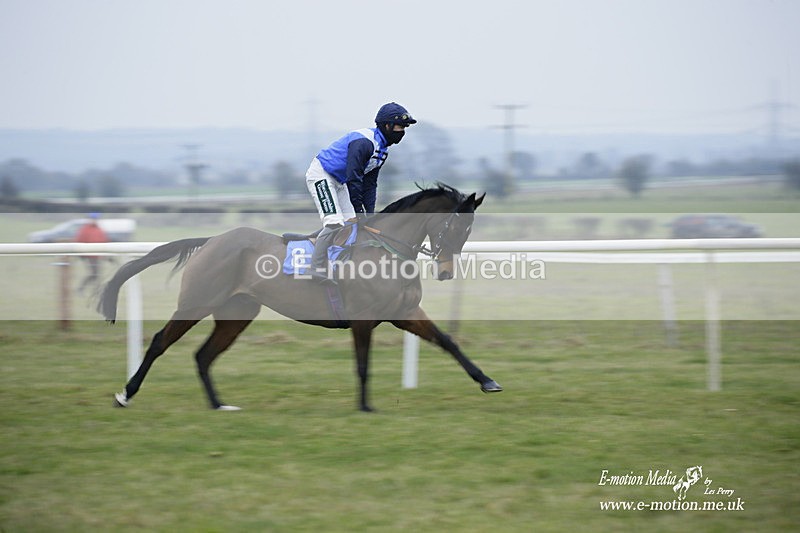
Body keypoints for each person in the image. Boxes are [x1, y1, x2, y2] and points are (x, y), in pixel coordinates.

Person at [304, 102, 417, 283]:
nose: (402, 131)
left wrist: (369, 215)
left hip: (340, 181)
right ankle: (315, 267)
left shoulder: (382, 151)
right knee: (334, 222)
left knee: (352, 224)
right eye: (400, 126)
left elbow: (370, 185)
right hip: (322, 174)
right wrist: (359, 210)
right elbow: (354, 178)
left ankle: (336, 258)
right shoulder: (364, 143)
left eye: (404, 128)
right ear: (387, 126)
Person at [75, 213, 109, 293]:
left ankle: (97, 290)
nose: (94, 220)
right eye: (93, 219)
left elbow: (104, 240)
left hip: (98, 255)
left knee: (97, 274)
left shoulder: (99, 229)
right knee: (94, 273)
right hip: (89, 256)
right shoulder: (85, 230)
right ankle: (82, 289)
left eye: (95, 219)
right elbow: (80, 240)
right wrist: (81, 254)